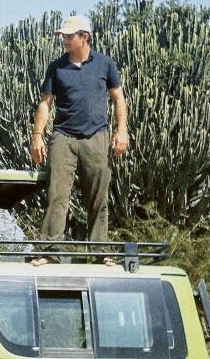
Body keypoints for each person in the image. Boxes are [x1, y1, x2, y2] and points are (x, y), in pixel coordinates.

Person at [29, 15, 129, 265]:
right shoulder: (57, 67)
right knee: (57, 195)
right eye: (63, 36)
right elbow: (45, 103)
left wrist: (122, 131)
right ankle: (48, 251)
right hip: (63, 137)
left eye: (69, 36)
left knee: (98, 197)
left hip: (96, 136)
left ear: (84, 37)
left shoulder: (105, 64)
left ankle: (99, 252)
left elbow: (119, 98)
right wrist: (37, 136)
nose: (64, 40)